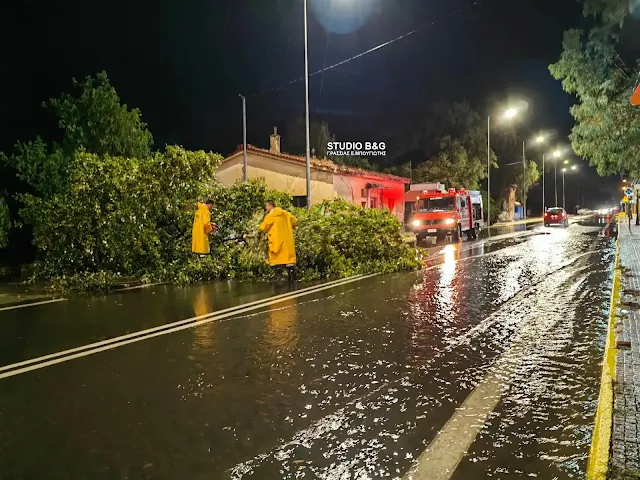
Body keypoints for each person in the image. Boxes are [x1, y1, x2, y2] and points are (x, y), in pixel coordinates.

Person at [259, 200, 297, 282]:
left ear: (270, 206)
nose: (266, 208)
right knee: (288, 260)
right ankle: (292, 278)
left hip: (277, 241)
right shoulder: (286, 214)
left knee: (274, 259)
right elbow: (294, 222)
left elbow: (263, 227)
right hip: (287, 241)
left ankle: (277, 276)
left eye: (266, 206)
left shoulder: (271, 216)